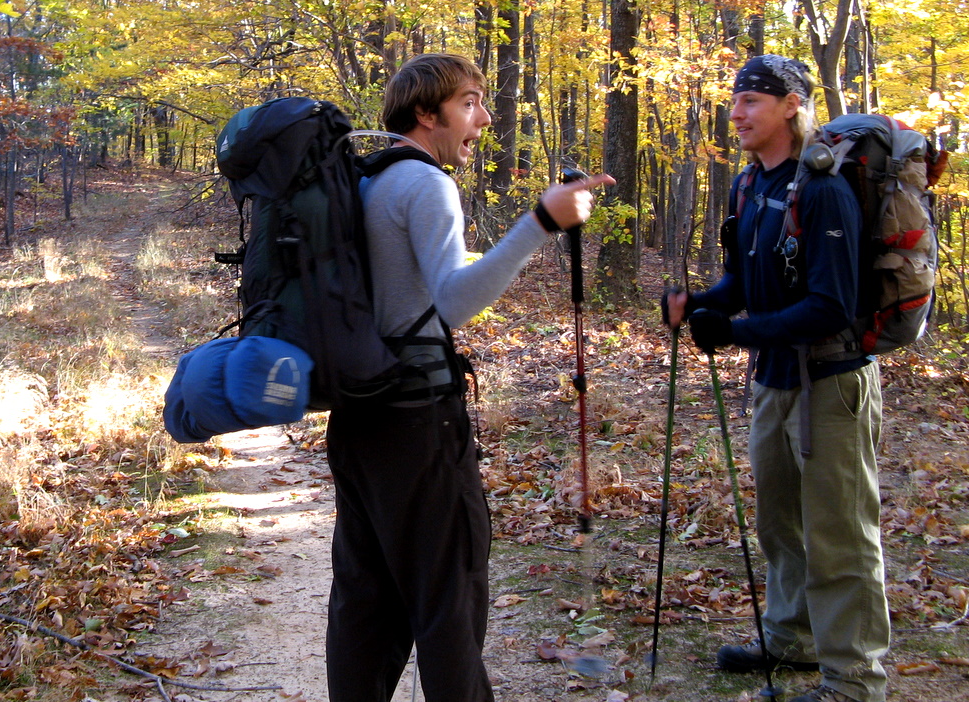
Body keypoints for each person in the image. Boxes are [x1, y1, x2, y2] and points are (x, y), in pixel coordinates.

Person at [324, 53, 612, 702]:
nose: (484, 118)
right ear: (428, 114)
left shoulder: (365, 180)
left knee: (366, 602)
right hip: (418, 424)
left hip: (359, 417)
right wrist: (541, 223)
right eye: (470, 103)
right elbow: (450, 302)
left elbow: (406, 288)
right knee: (447, 600)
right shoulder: (424, 184)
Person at [663, 55, 888, 702]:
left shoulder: (822, 190)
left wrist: (735, 333)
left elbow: (830, 306)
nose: (736, 113)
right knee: (780, 524)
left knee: (840, 535)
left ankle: (853, 680)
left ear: (791, 105)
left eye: (752, 101)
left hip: (832, 387)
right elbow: (744, 283)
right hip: (775, 380)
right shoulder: (748, 187)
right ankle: (794, 640)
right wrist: (701, 305)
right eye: (735, 101)